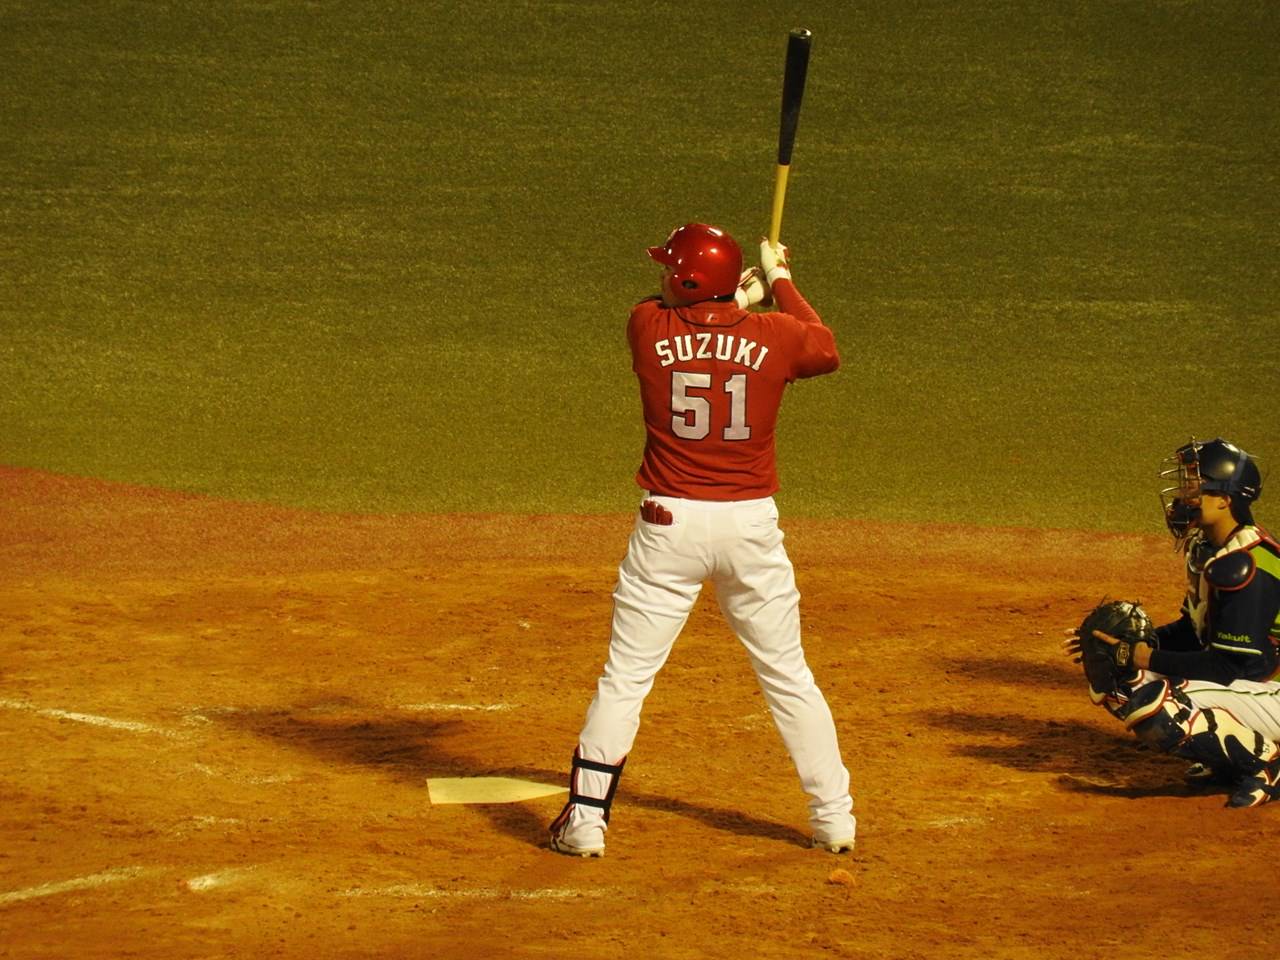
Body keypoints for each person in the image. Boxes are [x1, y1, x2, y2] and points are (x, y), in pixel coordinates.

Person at [548, 222, 856, 857]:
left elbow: (686, 318)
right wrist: (780, 280)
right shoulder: (777, 336)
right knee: (788, 675)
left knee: (626, 676)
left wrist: (737, 297)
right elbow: (824, 349)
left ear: (687, 281)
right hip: (749, 529)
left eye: (671, 268)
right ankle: (834, 819)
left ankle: (585, 821)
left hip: (669, 529)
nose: (662, 275)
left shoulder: (646, 327)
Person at [1068, 437, 1280, 807]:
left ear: (1224, 499)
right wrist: (1121, 645)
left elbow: (1230, 665)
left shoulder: (1247, 566)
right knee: (1115, 672)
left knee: (1160, 705)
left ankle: (1266, 764)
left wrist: (1144, 656)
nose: (1183, 497)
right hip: (1251, 687)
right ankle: (1229, 758)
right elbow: (1192, 631)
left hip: (1270, 689)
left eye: (1194, 487)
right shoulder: (1211, 550)